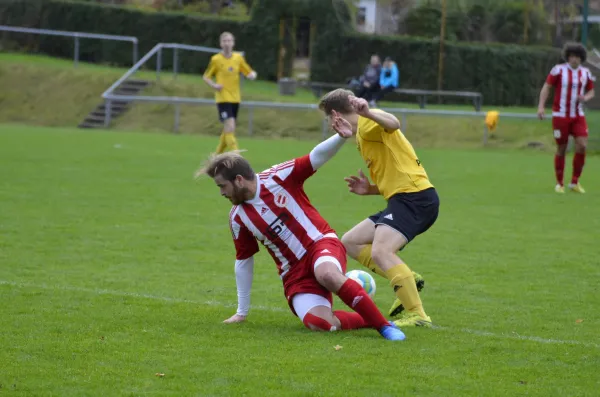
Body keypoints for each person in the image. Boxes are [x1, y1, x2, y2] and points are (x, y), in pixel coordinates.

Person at [196, 135, 407, 341]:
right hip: (294, 275)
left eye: (222, 186)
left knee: (326, 274)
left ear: (239, 180)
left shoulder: (278, 177)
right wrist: (241, 312)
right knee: (321, 324)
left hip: (320, 243)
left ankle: (384, 326)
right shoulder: (238, 217)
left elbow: (315, 157)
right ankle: (368, 317)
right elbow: (244, 261)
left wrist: (342, 136)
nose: (221, 192)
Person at [318, 89, 439, 328]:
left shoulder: (368, 123)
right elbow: (394, 173)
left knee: (381, 251)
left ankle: (418, 315)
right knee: (351, 241)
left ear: (335, 114)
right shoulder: (361, 134)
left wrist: (369, 112)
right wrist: (370, 189)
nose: (329, 124)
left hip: (414, 198)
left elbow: (394, 123)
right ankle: (407, 279)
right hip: (402, 198)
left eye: (328, 118)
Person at [537, 42, 595, 194]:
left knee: (582, 145)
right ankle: (559, 183)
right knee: (561, 148)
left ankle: (574, 182)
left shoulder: (585, 73)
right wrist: (541, 106)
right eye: (571, 56)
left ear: (581, 58)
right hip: (560, 117)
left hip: (578, 116)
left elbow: (591, 92)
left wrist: (585, 97)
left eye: (576, 57)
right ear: (567, 57)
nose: (574, 59)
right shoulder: (558, 70)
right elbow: (547, 86)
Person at [203, 32, 257, 154]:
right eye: (224, 41)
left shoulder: (238, 58)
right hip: (222, 98)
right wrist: (214, 85)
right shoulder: (216, 59)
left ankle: (216, 156)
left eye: (229, 41)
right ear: (221, 43)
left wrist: (251, 75)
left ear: (233, 43)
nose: (227, 43)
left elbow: (247, 71)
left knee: (228, 129)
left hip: (235, 98)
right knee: (230, 126)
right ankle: (236, 155)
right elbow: (206, 76)